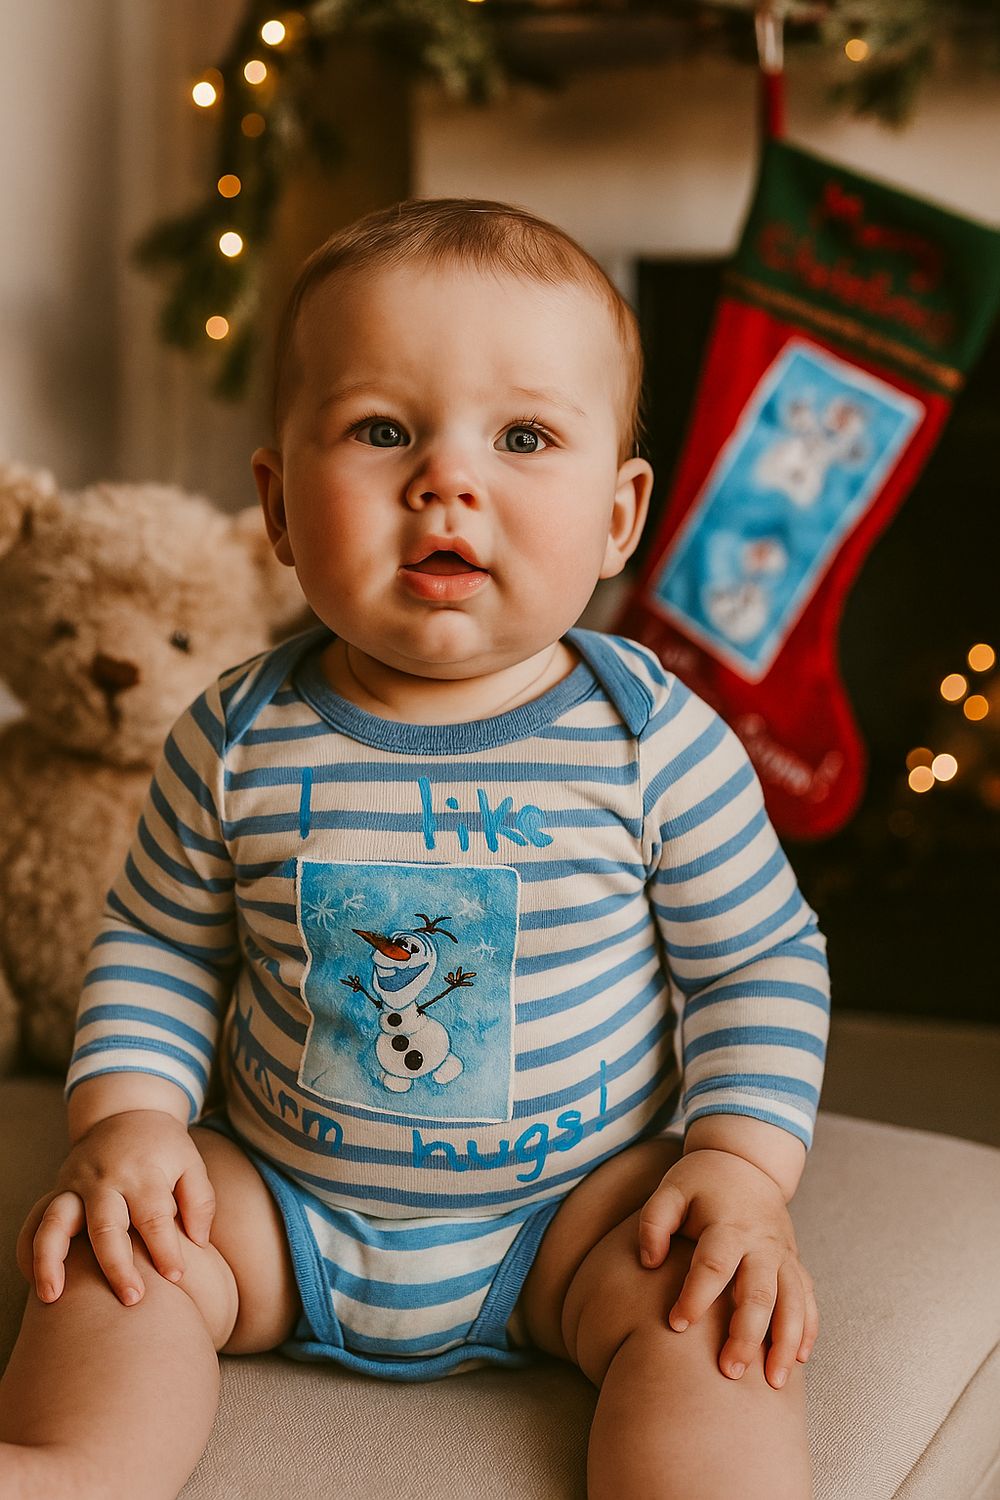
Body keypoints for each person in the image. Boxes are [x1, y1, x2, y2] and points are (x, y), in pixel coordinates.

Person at [0, 199, 829, 1500]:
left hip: (571, 1222)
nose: (449, 481)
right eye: (383, 431)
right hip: (279, 1202)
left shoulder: (654, 742)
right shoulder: (234, 732)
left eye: (524, 436)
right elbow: (160, 944)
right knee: (118, 1253)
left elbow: (757, 966)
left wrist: (737, 1168)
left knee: (709, 1317)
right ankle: (72, 1466)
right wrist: (133, 1122)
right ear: (277, 502)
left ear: (619, 518)